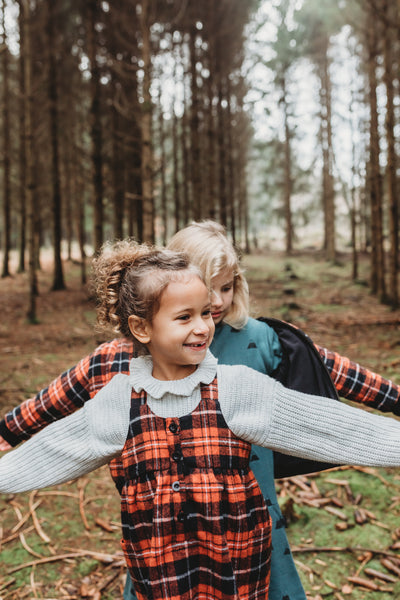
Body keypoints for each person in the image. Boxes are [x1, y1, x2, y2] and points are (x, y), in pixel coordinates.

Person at [1, 222, 400, 600]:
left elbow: (332, 424)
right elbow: (56, 438)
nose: (211, 312)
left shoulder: (247, 365)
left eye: (219, 296)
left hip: (240, 553)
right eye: (190, 309)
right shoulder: (118, 381)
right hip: (159, 558)